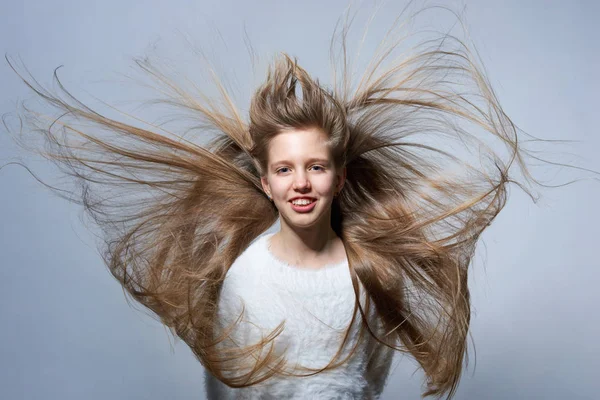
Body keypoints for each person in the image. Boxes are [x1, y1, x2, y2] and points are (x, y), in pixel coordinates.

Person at [4, 7, 563, 399]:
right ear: (266, 182)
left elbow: (369, 381)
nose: (302, 183)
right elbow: (227, 390)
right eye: (285, 169)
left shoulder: (371, 275)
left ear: (339, 179)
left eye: (316, 167)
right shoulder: (245, 282)